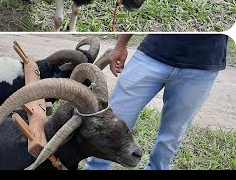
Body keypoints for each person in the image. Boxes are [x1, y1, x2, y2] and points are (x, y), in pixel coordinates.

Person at [85, 34, 228, 170]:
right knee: (113, 121)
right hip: (152, 54)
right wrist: (121, 44)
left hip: (203, 66)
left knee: (172, 136)